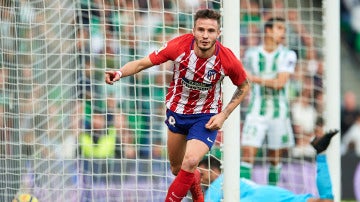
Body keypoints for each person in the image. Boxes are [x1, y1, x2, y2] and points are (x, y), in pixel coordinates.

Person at [105, 8, 250, 202]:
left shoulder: (226, 59)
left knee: (190, 161)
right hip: (177, 112)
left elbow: (244, 86)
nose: (205, 36)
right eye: (201, 30)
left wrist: (224, 114)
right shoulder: (178, 47)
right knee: (177, 169)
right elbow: (142, 64)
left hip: (205, 116)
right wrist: (119, 73)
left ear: (218, 33)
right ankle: (197, 186)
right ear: (193, 30)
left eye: (210, 31)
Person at [199, 129, 339, 202]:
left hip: (262, 198)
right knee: (325, 200)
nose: (200, 178)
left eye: (202, 173)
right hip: (272, 195)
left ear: (215, 169)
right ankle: (321, 154)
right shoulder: (227, 183)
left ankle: (321, 155)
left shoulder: (220, 182)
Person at [240, 17, 297, 185]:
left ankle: (271, 194)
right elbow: (245, 82)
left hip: (279, 114)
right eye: (279, 28)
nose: (283, 33)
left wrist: (254, 78)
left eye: (284, 29)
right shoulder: (251, 54)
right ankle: (244, 195)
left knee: (275, 159)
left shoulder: (288, 54)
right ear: (268, 30)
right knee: (248, 154)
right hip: (256, 111)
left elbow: (280, 83)